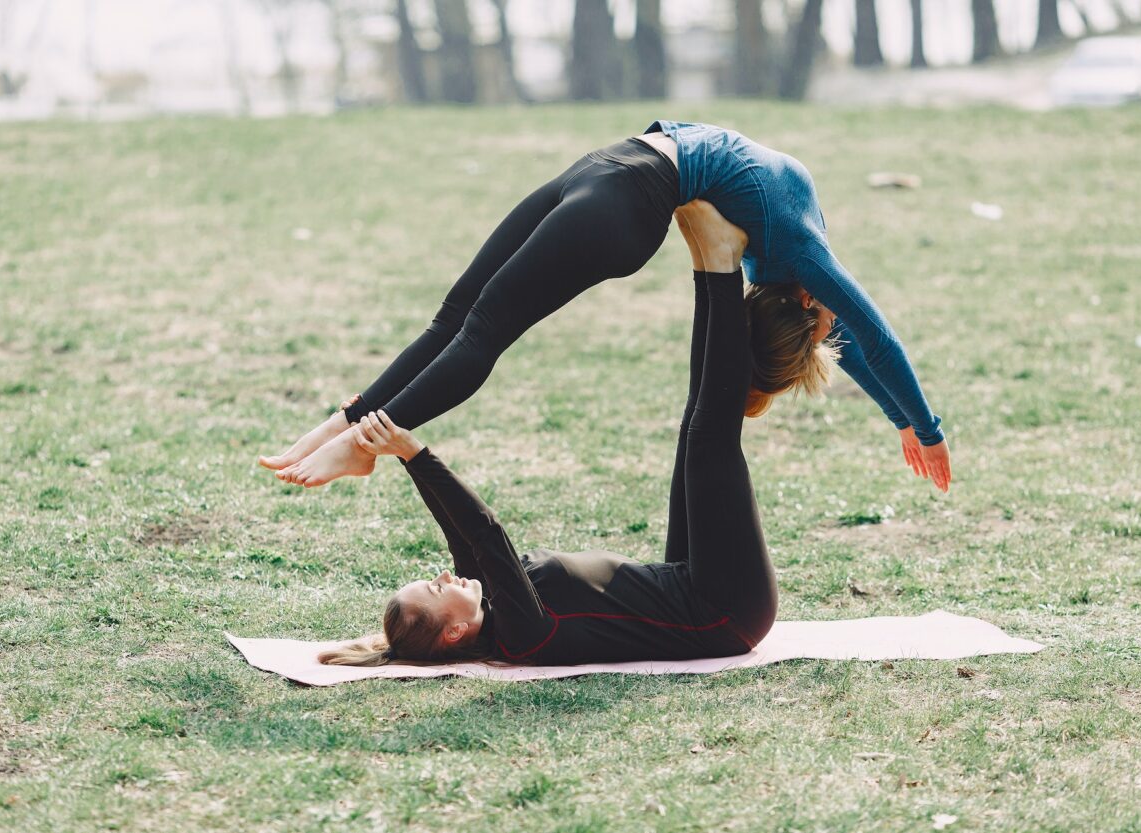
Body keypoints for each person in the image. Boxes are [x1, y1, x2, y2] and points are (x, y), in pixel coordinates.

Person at [259, 122, 951, 493]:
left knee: (483, 330)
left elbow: (862, 340)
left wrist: (920, 425)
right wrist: (914, 423)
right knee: (457, 314)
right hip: (607, 173)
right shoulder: (798, 260)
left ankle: (364, 442)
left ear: (809, 310)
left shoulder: (794, 260)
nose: (838, 324)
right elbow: (869, 340)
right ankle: (348, 422)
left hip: (623, 202)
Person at [318, 267, 774, 667]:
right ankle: (720, 268)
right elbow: (485, 533)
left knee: (697, 422)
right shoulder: (521, 635)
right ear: (454, 632)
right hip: (725, 613)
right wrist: (416, 451)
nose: (442, 576)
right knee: (708, 433)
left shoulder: (494, 606)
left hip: (687, 580)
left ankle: (709, 266)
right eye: (437, 590)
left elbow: (458, 529)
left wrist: (401, 454)